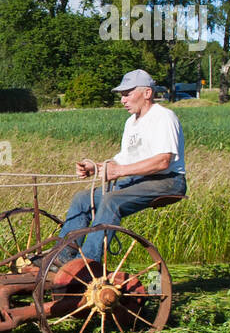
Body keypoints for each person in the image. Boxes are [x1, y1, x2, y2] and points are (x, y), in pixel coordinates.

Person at [51, 69, 187, 265]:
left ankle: (87, 263)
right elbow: (123, 160)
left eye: (127, 94)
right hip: (139, 180)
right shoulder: (131, 123)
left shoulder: (164, 117)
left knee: (111, 201)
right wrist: (96, 168)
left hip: (168, 181)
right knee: (82, 199)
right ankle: (61, 256)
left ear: (147, 93)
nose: (123, 100)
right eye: (122, 95)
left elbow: (162, 161)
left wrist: (120, 171)